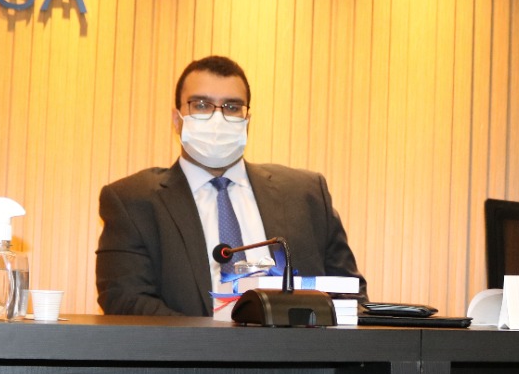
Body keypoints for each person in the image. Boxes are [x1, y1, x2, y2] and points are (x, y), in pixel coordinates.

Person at [96, 55, 365, 316]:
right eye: (201, 105)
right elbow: (125, 300)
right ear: (177, 120)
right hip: (189, 348)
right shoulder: (132, 202)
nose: (218, 119)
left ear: (247, 122)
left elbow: (351, 296)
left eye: (232, 107)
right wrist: (213, 341)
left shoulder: (306, 194)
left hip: (294, 348)